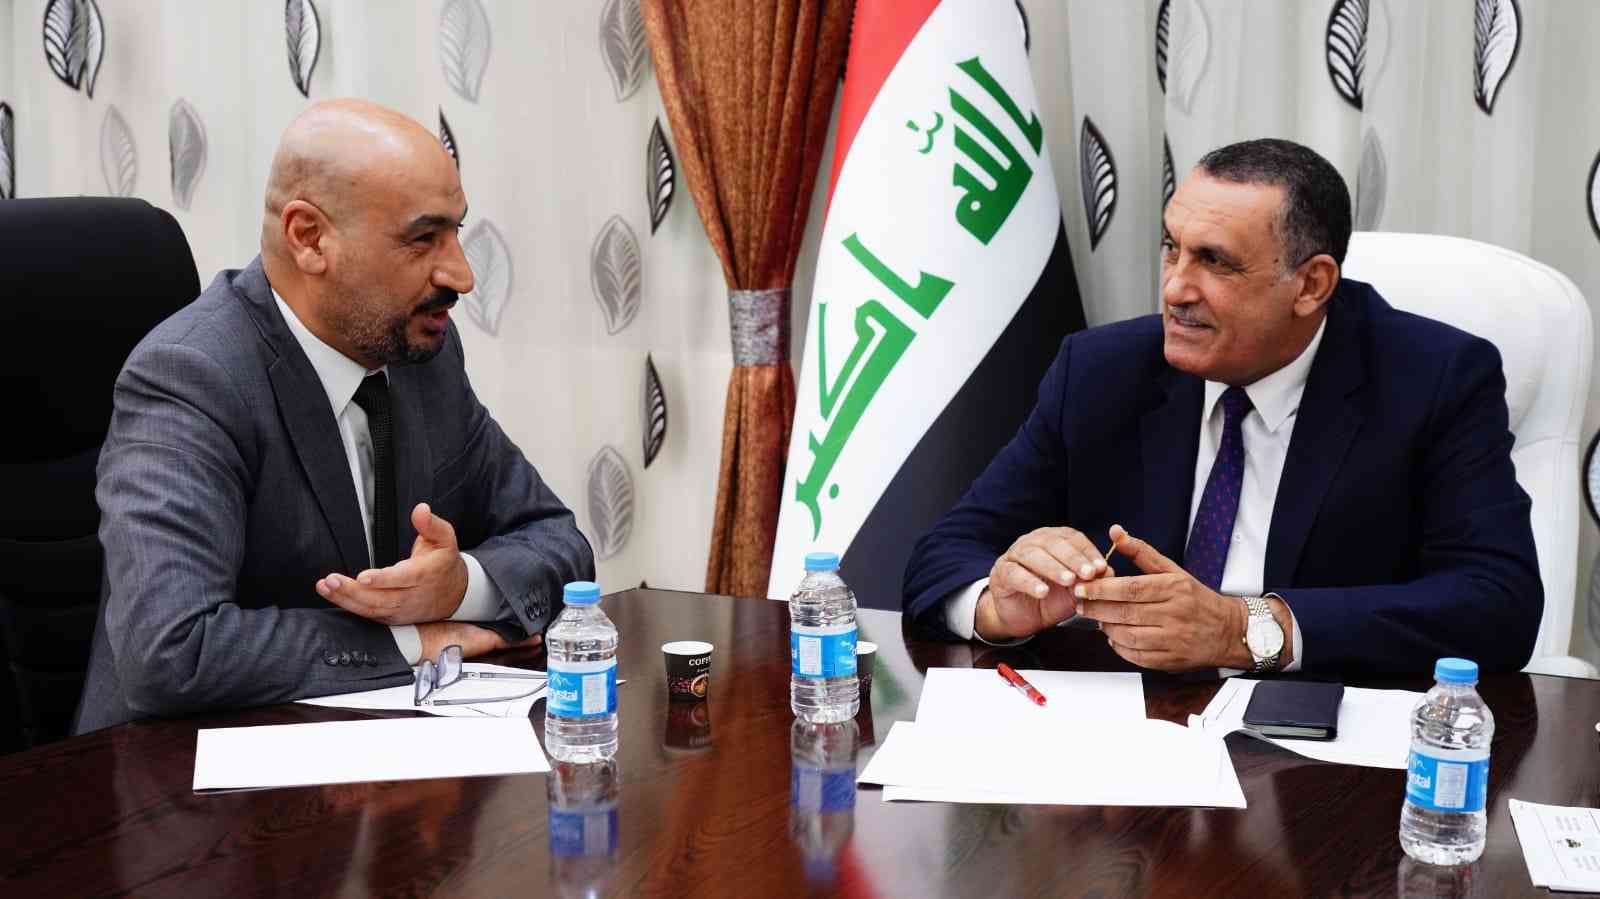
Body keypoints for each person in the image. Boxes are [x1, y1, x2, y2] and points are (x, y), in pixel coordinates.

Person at [903, 138, 1542, 674]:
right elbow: (945, 555)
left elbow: (1498, 606)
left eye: (1215, 261)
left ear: (1311, 284)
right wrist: (999, 606)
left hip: (1316, 747)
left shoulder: (1433, 379)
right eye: (1171, 248)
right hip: (1130, 735)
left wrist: (1244, 629)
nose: (1176, 288)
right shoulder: (1101, 371)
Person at [74, 99, 594, 732]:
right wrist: (417, 640)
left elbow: (559, 542)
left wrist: (459, 587)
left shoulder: (419, 353)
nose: (461, 274)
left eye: (456, 232)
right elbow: (172, 651)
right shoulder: (192, 377)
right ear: (310, 238)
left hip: (376, 752)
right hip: (179, 771)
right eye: (423, 238)